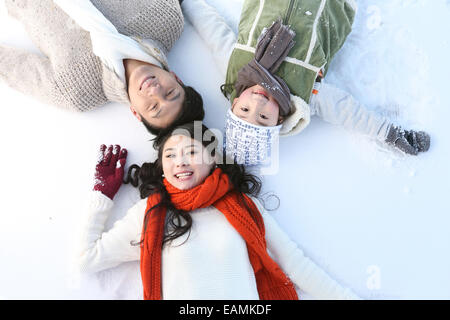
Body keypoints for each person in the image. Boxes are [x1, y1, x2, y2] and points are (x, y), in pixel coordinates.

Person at [79, 122, 360, 299]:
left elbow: (296, 265)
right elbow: (87, 259)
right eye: (170, 155)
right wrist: (102, 196)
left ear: (213, 158)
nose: (180, 162)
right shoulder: (150, 214)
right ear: (163, 168)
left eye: (191, 151)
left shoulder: (243, 207)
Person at [180, 0, 431, 165]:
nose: (257, 104)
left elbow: (211, 29)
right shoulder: (302, 95)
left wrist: (186, 2)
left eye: (245, 111)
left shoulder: (235, 68)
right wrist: (390, 133)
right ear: (279, 120)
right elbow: (347, 111)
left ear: (234, 103)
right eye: (263, 118)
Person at [0, 0, 204, 136]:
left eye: (153, 107)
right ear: (177, 79)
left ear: (135, 112)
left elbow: (10, 66)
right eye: (170, 93)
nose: (155, 91)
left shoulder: (76, 91)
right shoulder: (165, 18)